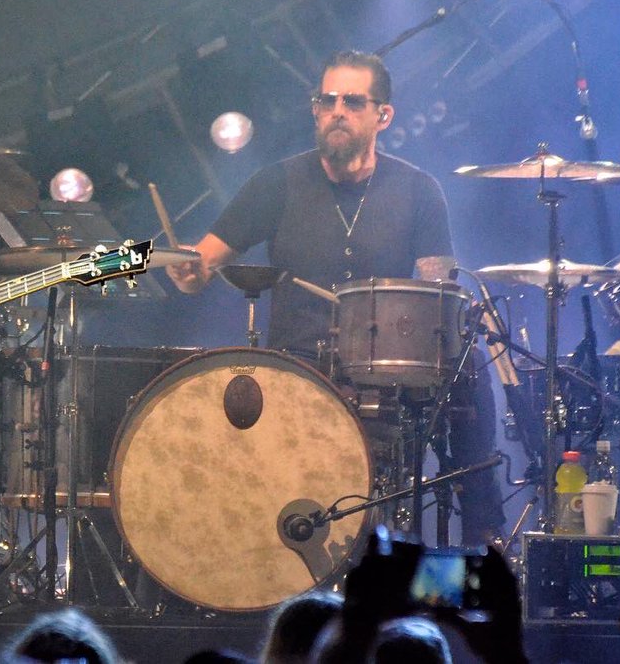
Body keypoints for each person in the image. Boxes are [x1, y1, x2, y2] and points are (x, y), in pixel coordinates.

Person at [166, 50, 503, 545]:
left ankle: (484, 546)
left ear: (382, 115)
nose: (336, 110)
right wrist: (187, 271)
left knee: (468, 363)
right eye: (327, 100)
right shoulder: (276, 183)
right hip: (296, 368)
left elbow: (439, 291)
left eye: (352, 101)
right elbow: (200, 262)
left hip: (385, 369)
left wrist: (445, 322)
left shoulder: (418, 190)